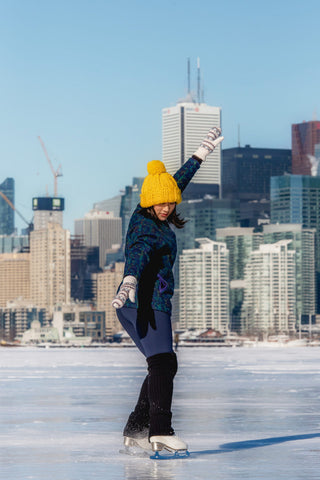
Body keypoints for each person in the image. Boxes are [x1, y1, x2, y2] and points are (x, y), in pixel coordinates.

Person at [112, 127, 224, 454]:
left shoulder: (149, 210)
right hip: (145, 301)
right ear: (150, 202)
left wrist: (199, 155)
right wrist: (129, 280)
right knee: (162, 363)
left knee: (164, 363)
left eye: (170, 203)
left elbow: (174, 183)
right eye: (161, 203)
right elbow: (137, 253)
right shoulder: (146, 227)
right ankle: (160, 430)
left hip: (133, 305)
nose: (166, 208)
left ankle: (136, 428)